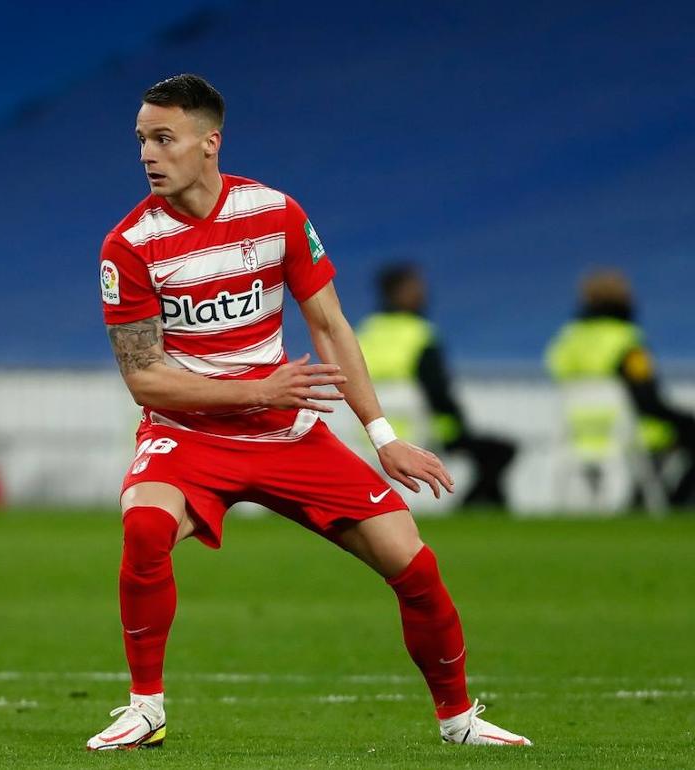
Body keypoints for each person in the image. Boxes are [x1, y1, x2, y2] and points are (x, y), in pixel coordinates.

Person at [87, 74, 529, 751]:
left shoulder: (276, 213)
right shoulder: (129, 245)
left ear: (210, 143)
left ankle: (459, 720)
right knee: (145, 527)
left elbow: (328, 324)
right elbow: (146, 381)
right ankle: (145, 709)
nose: (149, 153)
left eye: (164, 138)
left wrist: (382, 436)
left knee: (411, 561)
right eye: (143, 139)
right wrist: (254, 391)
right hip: (191, 437)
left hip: (286, 433)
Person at [356, 263, 517, 506]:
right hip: (411, 409)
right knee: (414, 479)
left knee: (375, 478)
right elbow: (436, 388)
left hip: (368, 413)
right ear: (397, 292)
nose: (422, 293)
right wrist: (453, 428)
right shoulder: (419, 332)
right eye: (415, 288)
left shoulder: (367, 329)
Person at [546, 269, 695, 504]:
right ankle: (676, 503)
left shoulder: (569, 340)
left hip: (578, 431)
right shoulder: (626, 341)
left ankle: (642, 500)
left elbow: (557, 373)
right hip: (628, 429)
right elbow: (648, 402)